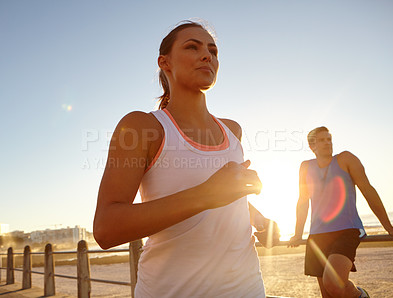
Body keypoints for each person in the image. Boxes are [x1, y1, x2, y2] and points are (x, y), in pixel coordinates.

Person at [93, 20, 279, 297]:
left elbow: (227, 198)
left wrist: (258, 219)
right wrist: (206, 194)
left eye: (213, 51)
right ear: (164, 62)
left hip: (249, 289)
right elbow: (106, 229)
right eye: (192, 47)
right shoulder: (142, 127)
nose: (207, 55)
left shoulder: (233, 130)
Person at [288, 126, 393, 298]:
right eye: (322, 140)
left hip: (346, 230)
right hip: (317, 235)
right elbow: (303, 201)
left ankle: (361, 295)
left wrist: (389, 228)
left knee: (333, 284)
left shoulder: (346, 159)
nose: (328, 143)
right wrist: (297, 233)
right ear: (312, 146)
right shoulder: (305, 167)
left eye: (329, 139)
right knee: (327, 295)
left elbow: (368, 190)